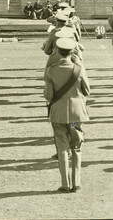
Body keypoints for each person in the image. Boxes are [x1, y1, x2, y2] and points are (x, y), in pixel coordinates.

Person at [44, 36, 90, 193]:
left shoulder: (51, 70)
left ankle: (65, 183)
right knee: (76, 148)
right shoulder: (79, 68)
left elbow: (48, 96)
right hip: (76, 112)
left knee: (62, 148)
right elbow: (87, 90)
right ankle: (76, 182)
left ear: (58, 51)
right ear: (71, 52)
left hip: (58, 112)